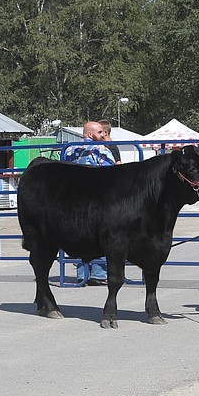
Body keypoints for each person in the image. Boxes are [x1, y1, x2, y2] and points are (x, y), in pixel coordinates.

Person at [61, 122, 114, 285]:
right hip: (97, 200)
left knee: (79, 235)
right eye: (100, 132)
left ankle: (81, 273)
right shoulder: (102, 150)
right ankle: (98, 274)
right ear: (90, 134)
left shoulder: (69, 149)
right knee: (101, 236)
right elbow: (112, 174)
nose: (103, 134)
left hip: (73, 201)